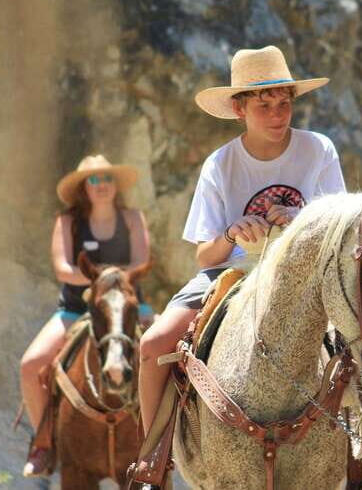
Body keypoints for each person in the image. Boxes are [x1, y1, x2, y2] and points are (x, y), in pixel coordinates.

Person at [137, 45, 346, 438]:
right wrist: (232, 232)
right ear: (239, 110)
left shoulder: (318, 149)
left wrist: (302, 221)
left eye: (284, 103)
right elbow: (204, 255)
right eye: (264, 105)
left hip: (308, 271)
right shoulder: (219, 164)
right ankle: (151, 460)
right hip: (233, 272)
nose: (277, 115)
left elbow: (340, 226)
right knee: (153, 344)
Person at [19, 154, 152, 477]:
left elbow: (141, 261)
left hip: (128, 307)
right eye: (94, 180)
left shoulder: (132, 217)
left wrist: (110, 283)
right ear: (84, 187)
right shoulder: (68, 221)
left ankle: (164, 440)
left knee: (172, 357)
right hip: (77, 309)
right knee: (31, 365)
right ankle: (45, 444)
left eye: (106, 179)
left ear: (114, 184)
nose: (101, 185)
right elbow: (63, 268)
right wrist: (100, 280)